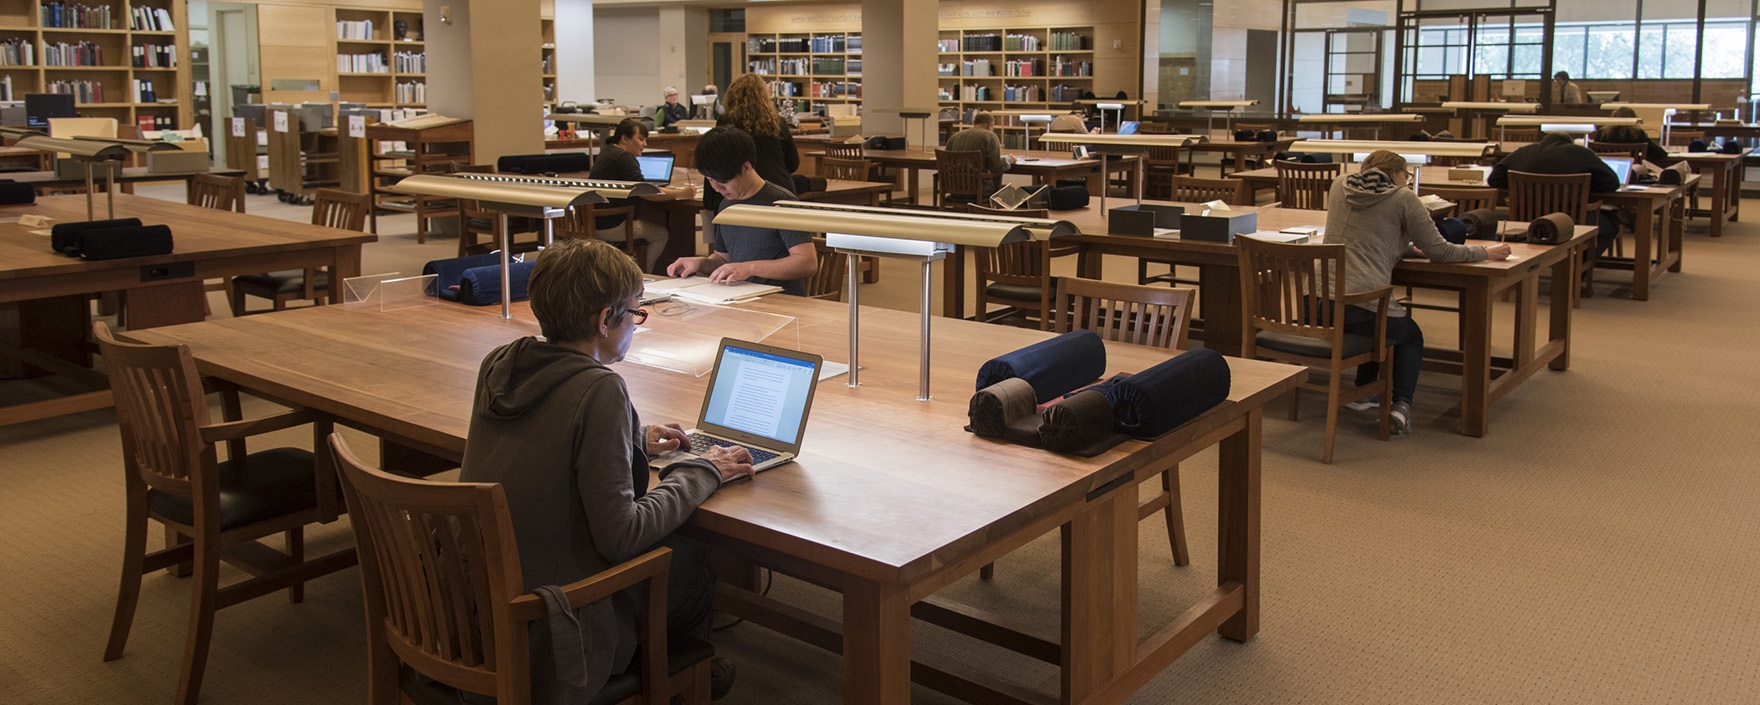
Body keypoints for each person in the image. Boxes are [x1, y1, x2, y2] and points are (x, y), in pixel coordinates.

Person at [457, 238, 751, 703]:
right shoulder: (600, 391)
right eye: (635, 313)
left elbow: (547, 438)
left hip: (472, 604)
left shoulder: (503, 363)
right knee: (691, 551)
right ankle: (684, 678)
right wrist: (702, 470)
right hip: (551, 624)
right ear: (603, 320)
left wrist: (633, 436)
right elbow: (622, 535)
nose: (636, 325)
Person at [1324, 150, 1511, 435]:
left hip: (1314, 304)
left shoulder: (1339, 186)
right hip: (1356, 306)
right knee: (1408, 333)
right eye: (1407, 177)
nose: (1408, 183)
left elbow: (1368, 235)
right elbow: (1442, 251)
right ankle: (1401, 407)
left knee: (1382, 320)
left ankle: (1365, 391)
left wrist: (1409, 249)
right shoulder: (1403, 198)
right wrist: (1485, 251)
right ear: (1398, 174)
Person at [668, 126, 817, 295]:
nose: (717, 187)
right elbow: (723, 259)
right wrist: (701, 264)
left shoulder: (782, 203)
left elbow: (807, 263)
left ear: (746, 167)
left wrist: (750, 268)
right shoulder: (727, 205)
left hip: (778, 300)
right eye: (710, 179)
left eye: (724, 180)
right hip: (737, 296)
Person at [587, 118, 696, 272]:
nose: (645, 144)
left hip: (595, 220)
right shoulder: (624, 158)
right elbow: (647, 193)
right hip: (611, 224)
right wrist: (681, 193)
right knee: (661, 234)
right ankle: (642, 274)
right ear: (624, 139)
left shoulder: (608, 152)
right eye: (641, 139)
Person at [1488, 131, 1622, 256]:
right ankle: (1578, 264)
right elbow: (1612, 182)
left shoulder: (1523, 152)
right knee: (1611, 223)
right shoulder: (1581, 153)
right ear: (1569, 143)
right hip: (1571, 222)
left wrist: (1520, 186)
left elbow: (1494, 179)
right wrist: (1584, 187)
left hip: (1527, 221)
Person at [705, 73, 799, 214]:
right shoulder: (777, 122)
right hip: (779, 190)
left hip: (740, 191)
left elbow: (718, 161)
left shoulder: (726, 121)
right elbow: (793, 163)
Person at [945, 111, 1015, 190]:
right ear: (990, 124)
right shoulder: (990, 136)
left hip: (954, 188)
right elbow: (996, 166)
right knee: (1009, 190)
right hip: (979, 189)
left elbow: (946, 163)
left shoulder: (955, 137)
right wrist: (1009, 160)